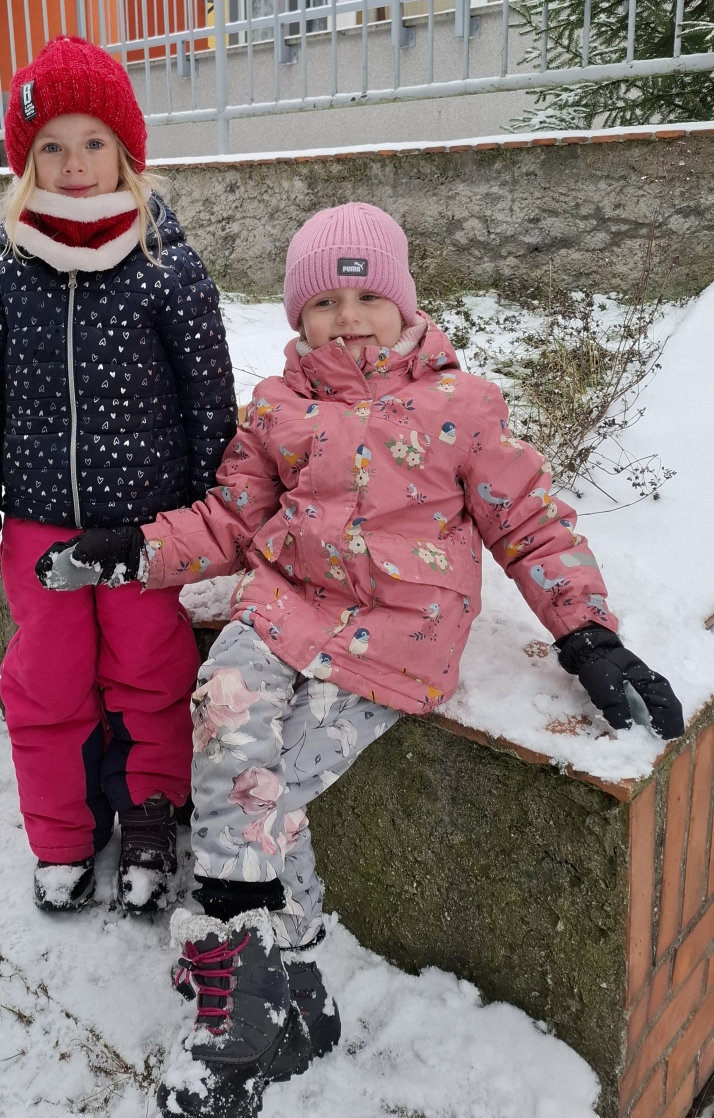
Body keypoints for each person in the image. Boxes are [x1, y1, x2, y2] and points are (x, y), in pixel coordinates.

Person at [36, 201, 685, 1117]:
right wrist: (132, 550)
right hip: (283, 605)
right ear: (298, 316)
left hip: (396, 632)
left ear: (404, 303)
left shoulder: (463, 407)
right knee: (222, 701)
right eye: (323, 304)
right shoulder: (277, 408)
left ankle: (274, 985)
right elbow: (230, 519)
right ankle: (264, 990)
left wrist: (587, 634)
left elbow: (531, 522)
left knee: (263, 785)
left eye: (367, 297)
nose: (347, 319)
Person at [0, 35, 237, 917]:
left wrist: (211, 519)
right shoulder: (2, 273)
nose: (74, 166)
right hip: (39, 525)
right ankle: (62, 833)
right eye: (51, 148)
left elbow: (208, 398)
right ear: (25, 164)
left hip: (146, 533)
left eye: (93, 143)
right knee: (47, 681)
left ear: (125, 153)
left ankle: (149, 814)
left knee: (150, 669)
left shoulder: (166, 266)